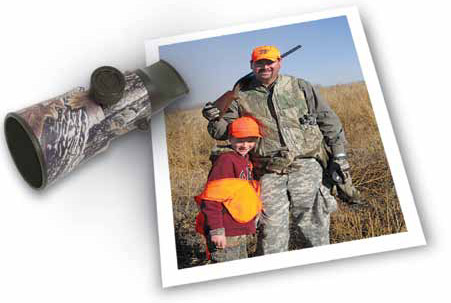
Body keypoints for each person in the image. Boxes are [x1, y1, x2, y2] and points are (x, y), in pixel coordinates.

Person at [202, 45, 353, 254]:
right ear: (252, 65)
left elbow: (329, 121)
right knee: (270, 232)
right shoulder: (240, 94)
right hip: (268, 170)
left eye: (270, 62)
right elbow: (222, 132)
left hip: (305, 164)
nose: (265, 67)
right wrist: (214, 117)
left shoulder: (300, 86)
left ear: (279, 62)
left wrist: (340, 155)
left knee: (313, 228)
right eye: (259, 63)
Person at [195, 116, 263, 263]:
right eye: (240, 140)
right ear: (230, 138)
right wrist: (217, 231)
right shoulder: (225, 161)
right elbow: (211, 200)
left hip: (238, 232)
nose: (245, 145)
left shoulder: (245, 159)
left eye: (250, 140)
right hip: (225, 233)